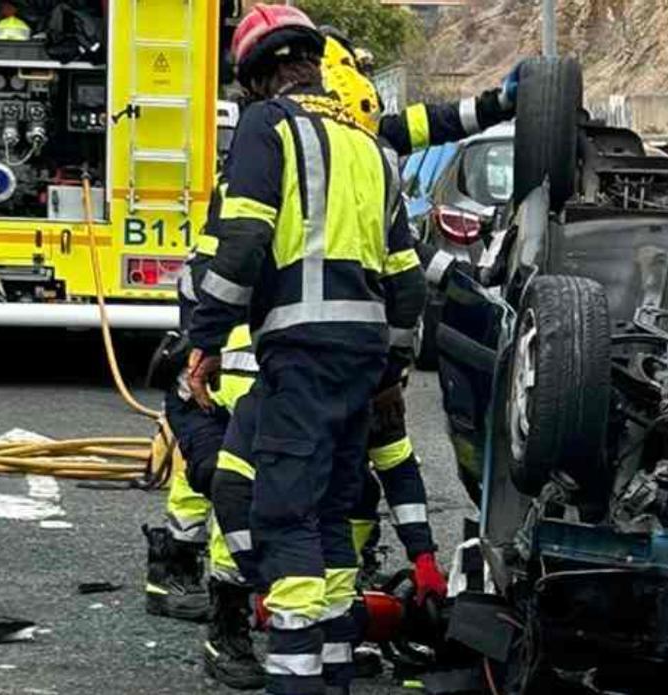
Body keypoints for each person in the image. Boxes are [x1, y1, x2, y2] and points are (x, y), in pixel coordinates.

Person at [186, 7, 426, 695]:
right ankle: (335, 675)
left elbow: (243, 241)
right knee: (332, 512)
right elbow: (407, 284)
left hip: (298, 353)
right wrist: (392, 371)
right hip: (360, 360)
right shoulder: (372, 148)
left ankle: (293, 682)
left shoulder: (269, 126)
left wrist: (204, 339)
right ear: (315, 64)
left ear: (259, 77)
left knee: (286, 515)